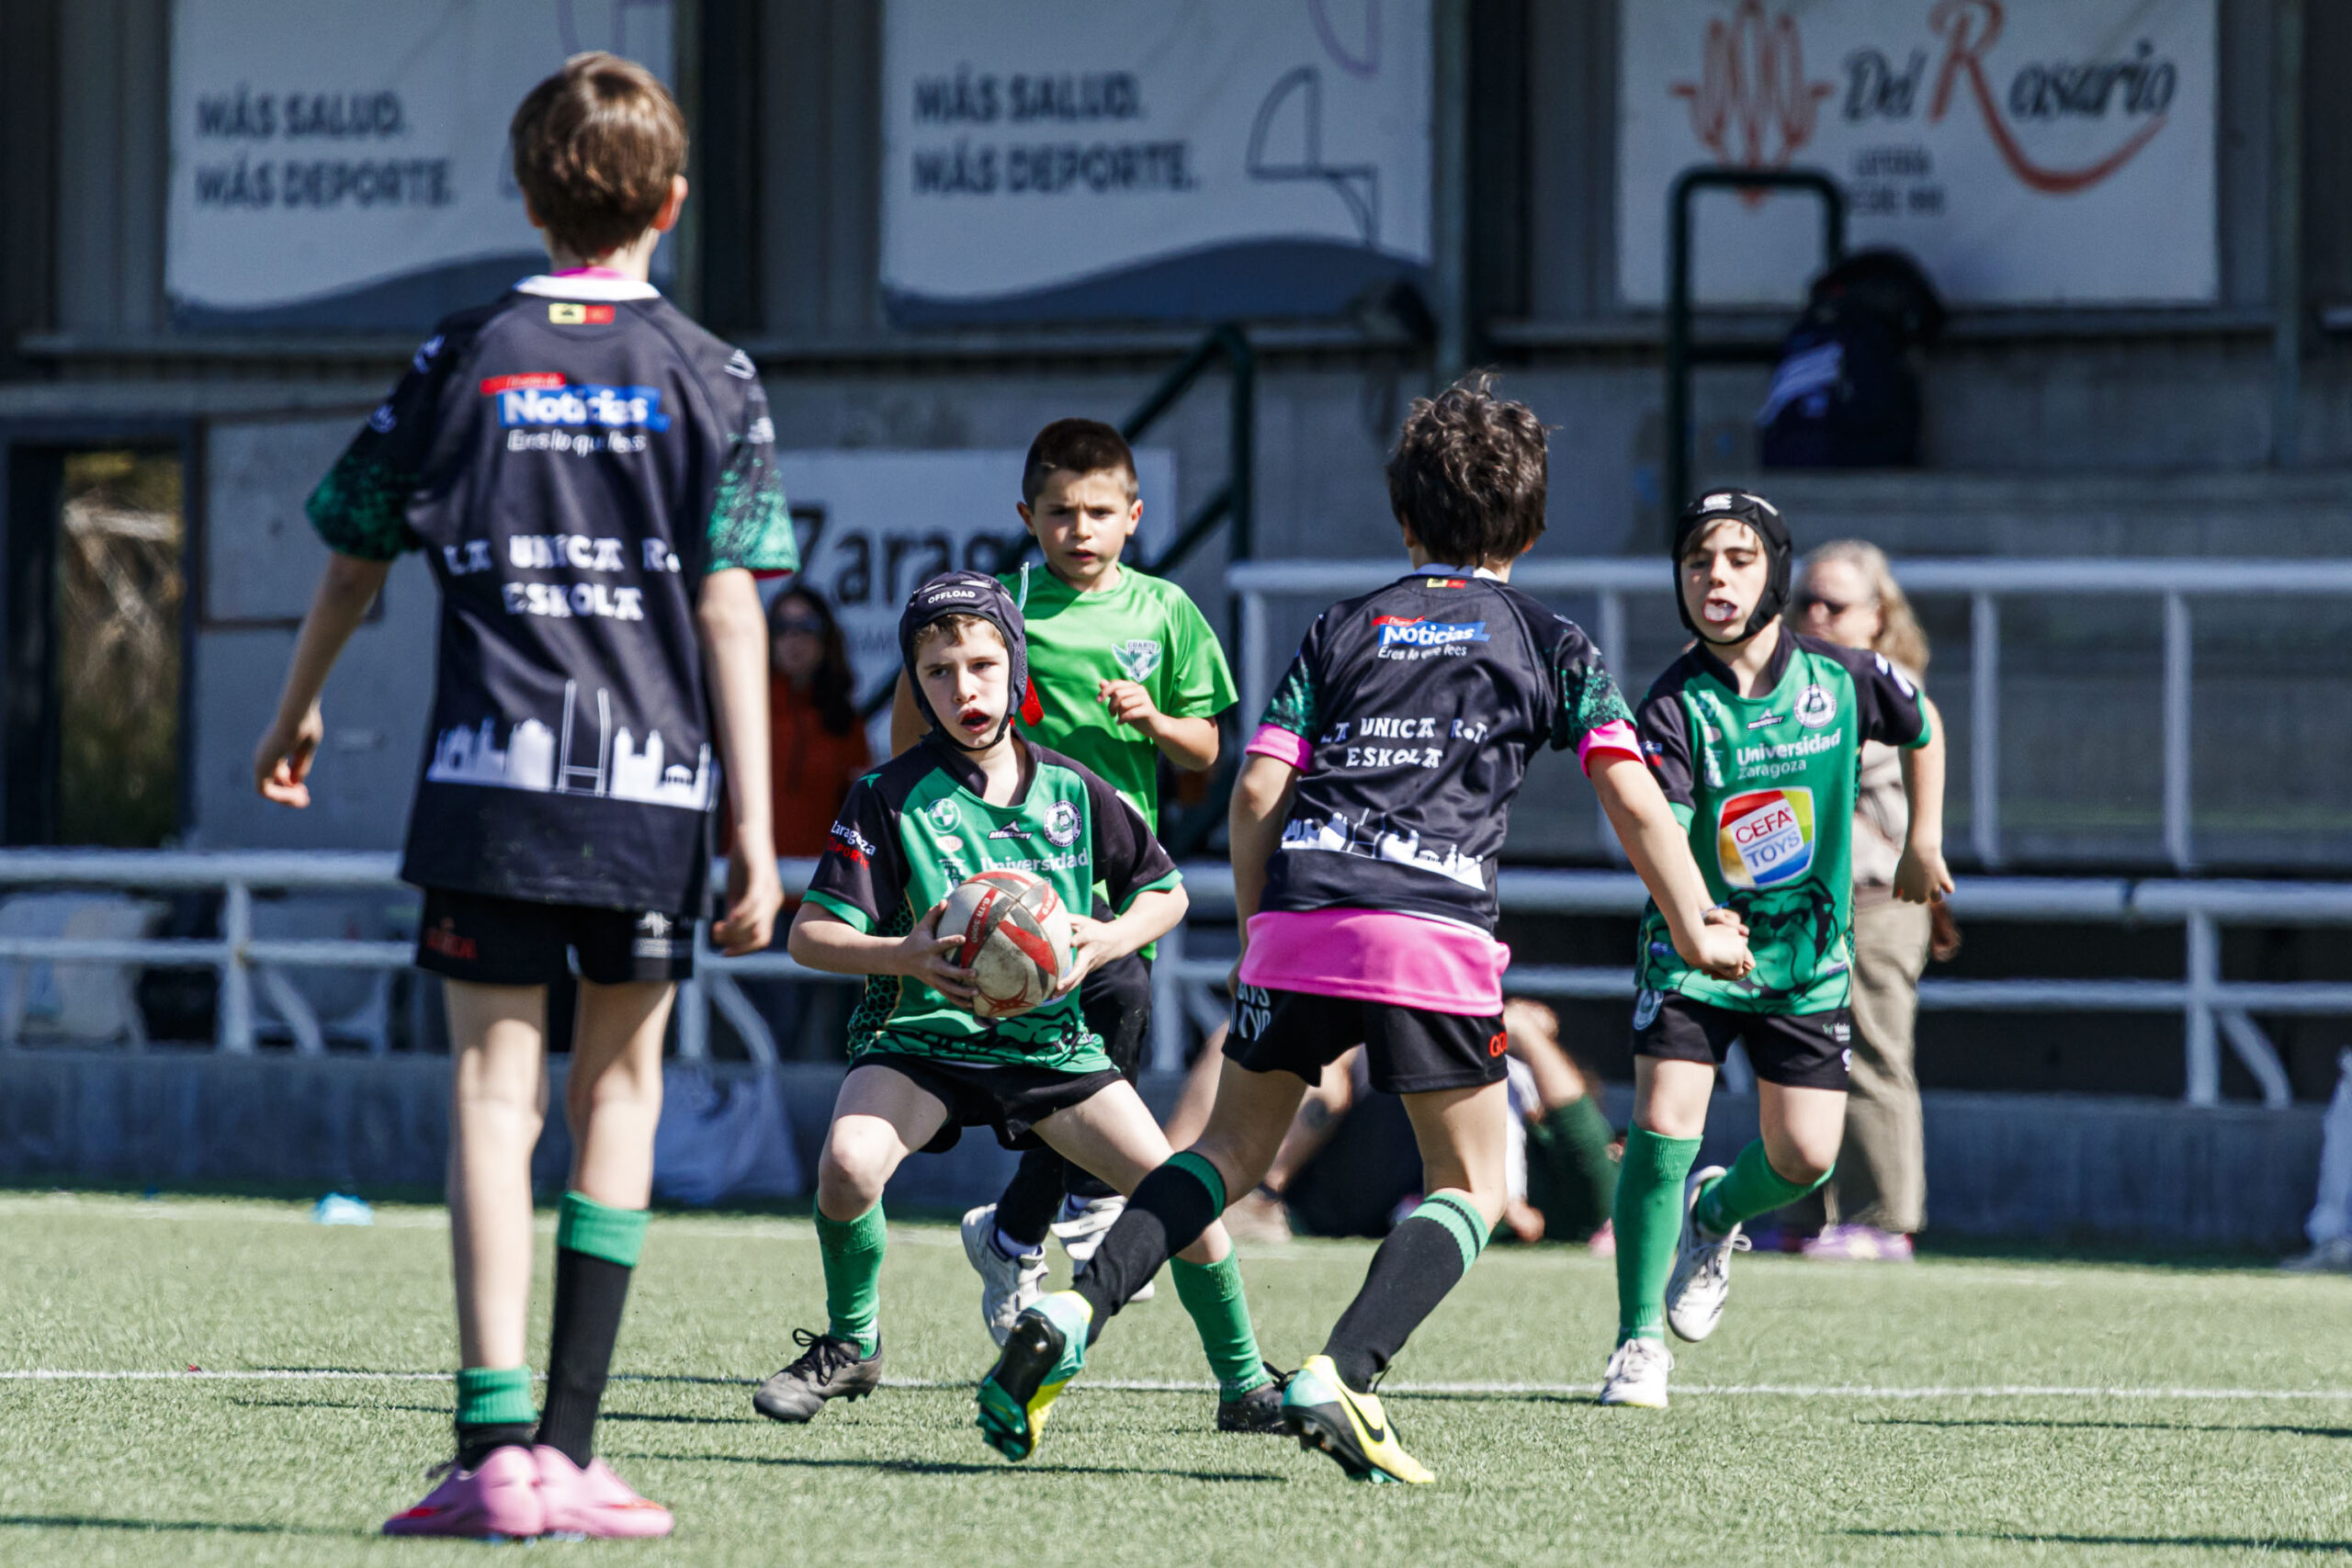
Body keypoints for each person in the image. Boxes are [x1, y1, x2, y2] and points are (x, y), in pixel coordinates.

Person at [971, 376, 1752, 1484]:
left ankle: (1075, 1305)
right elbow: (1630, 795)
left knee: (1225, 1153)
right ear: (1529, 527)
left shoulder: (1344, 625)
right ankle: (1346, 1366)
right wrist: (1699, 923)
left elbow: (1252, 793)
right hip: (1427, 929)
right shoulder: (1544, 638)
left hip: (1299, 917)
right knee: (1475, 1181)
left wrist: (1260, 935)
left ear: (1402, 520)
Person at [250, 52, 789, 1540]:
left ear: (529, 191)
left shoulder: (459, 352)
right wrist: (752, 824)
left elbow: (356, 558)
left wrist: (292, 717)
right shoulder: (714, 372)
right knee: (621, 1094)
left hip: (489, 784)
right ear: (672, 204)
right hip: (650, 794)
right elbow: (733, 606)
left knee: (492, 1099)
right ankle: (571, 1450)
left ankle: (490, 1453)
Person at [754, 573, 1282, 1435]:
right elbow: (810, 935)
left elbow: (1168, 895)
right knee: (848, 1165)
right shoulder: (885, 797)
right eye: (937, 671)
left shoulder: (1074, 790)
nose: (963, 688)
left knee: (1184, 1198)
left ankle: (1245, 1381)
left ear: (1017, 668)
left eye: (982, 665)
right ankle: (853, 1345)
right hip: (921, 1036)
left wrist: (1101, 939)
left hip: (1049, 1049)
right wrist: (904, 956)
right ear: (914, 683)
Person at [1599, 491, 1951, 1412]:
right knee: (1663, 1121)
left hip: (1803, 960)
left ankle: (1715, 1217)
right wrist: (1691, 924)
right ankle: (1636, 1343)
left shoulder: (1844, 677)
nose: (1715, 577)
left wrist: (1923, 840)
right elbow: (1658, 827)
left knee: (1804, 1157)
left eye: (1738, 559)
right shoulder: (1674, 701)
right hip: (1693, 951)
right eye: (1697, 562)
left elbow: (1923, 726)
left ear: (1775, 573)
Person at [888, 420, 1237, 1343]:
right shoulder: (995, 611)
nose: (1078, 530)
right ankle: (1073, 1206)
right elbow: (909, 727)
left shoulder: (1163, 610)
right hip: (1006, 889)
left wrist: (1155, 719)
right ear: (1027, 517)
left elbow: (1206, 750)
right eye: (1058, 513)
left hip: (1116, 883)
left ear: (1133, 515)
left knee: (1107, 1054)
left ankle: (1017, 1229)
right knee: (1052, 1072)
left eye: (1097, 512)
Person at [1792, 540, 1958, 1262]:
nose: (1816, 615)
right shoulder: (1798, 682)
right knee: (1801, 1059)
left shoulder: (1885, 687)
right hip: (1807, 902)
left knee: (1872, 1058)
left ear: (1878, 614)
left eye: (1836, 603)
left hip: (1875, 899)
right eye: (1805, 601)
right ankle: (1812, 1214)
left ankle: (1883, 1216)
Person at [765, 588, 871, 859]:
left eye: (807, 626)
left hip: (820, 887)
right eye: (782, 627)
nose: (794, 637)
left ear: (826, 637)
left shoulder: (846, 722)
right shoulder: (743, 710)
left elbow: (860, 819)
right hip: (745, 884)